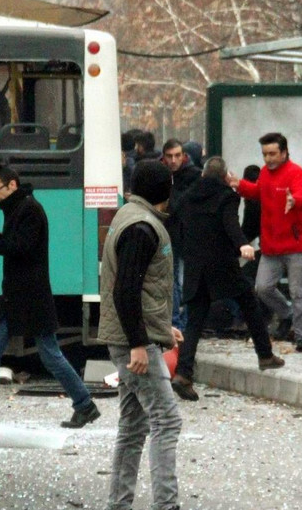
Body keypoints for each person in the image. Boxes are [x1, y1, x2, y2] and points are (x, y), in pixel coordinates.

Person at [0, 164, 100, 429]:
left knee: (49, 355)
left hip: (30, 297)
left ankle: (85, 404)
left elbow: (19, 248)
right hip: (18, 296)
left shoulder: (29, 210)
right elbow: (13, 242)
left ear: (12, 185)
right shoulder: (19, 208)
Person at [96, 160, 184, 510]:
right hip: (133, 342)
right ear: (165, 191)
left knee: (133, 427)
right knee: (167, 419)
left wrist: (162, 328)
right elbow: (126, 291)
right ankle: (167, 504)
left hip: (134, 336)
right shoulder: (143, 228)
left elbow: (141, 290)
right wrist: (137, 344)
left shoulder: (128, 215)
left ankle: (118, 504)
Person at [170, 157, 283, 402]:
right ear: (224, 176)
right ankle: (265, 354)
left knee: (195, 322)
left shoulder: (187, 197)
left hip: (194, 267)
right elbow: (230, 223)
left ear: (202, 175)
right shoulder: (227, 196)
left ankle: (182, 374)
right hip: (222, 265)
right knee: (249, 303)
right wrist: (242, 243)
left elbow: (176, 226)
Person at [236, 132, 302, 352]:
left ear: (283, 153)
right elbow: (257, 191)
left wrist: (294, 200)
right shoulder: (264, 173)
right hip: (271, 244)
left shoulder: (296, 173)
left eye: (272, 154)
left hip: (296, 244)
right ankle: (287, 314)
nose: (268, 159)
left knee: (299, 291)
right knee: (263, 288)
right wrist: (238, 185)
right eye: (265, 154)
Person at [161, 138, 201, 329]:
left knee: (183, 280)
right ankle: (177, 322)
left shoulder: (193, 175)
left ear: (184, 156)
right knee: (175, 279)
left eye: (177, 156)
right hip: (171, 233)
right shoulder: (163, 174)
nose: (173, 160)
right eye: (170, 156)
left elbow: (180, 203)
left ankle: (180, 321)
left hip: (187, 234)